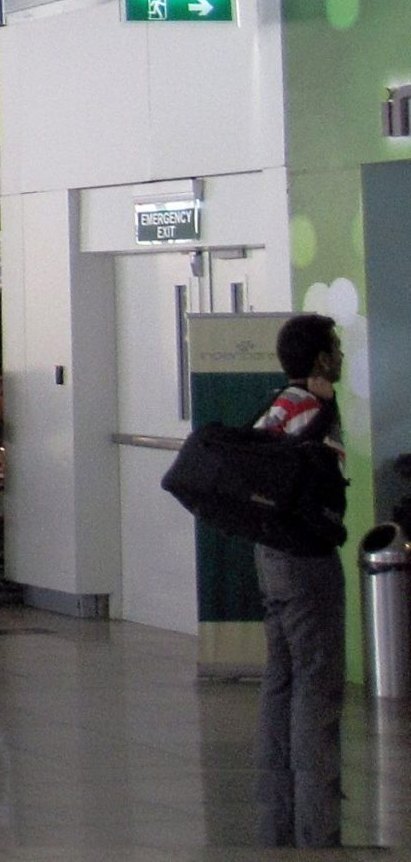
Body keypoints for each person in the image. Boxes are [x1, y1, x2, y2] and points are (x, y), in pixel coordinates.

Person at [253, 313, 346, 848]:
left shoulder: (277, 403)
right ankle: (318, 822)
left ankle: (276, 815)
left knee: (281, 678)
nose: (339, 354)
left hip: (270, 554)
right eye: (333, 347)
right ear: (319, 359)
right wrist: (329, 403)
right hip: (306, 558)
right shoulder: (312, 408)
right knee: (317, 681)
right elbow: (323, 475)